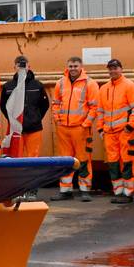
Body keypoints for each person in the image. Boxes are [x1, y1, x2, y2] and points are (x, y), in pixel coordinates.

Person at [50, 55, 98, 201]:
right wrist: (57, 120)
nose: (73, 69)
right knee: (65, 160)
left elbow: (94, 107)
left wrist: (86, 124)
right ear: (67, 66)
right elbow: (55, 104)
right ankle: (65, 190)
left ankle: (85, 190)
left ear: (81, 67)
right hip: (63, 128)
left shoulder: (90, 83)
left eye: (75, 66)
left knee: (83, 159)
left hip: (80, 128)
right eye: (70, 66)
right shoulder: (61, 83)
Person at [96, 58, 134, 204]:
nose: (112, 71)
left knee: (127, 161)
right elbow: (100, 111)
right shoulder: (104, 89)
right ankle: (118, 191)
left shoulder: (130, 86)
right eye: (110, 68)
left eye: (115, 68)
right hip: (109, 133)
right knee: (113, 162)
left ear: (121, 69)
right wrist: (100, 129)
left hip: (125, 132)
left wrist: (130, 126)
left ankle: (128, 192)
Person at [1, 55, 50, 158]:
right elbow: (4, 106)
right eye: (19, 66)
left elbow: (44, 105)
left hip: (34, 129)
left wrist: (35, 118)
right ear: (14, 68)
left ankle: (33, 175)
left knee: (33, 157)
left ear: (29, 67)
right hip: (15, 129)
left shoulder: (38, 85)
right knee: (15, 158)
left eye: (24, 66)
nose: (22, 68)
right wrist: (13, 120)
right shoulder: (8, 86)